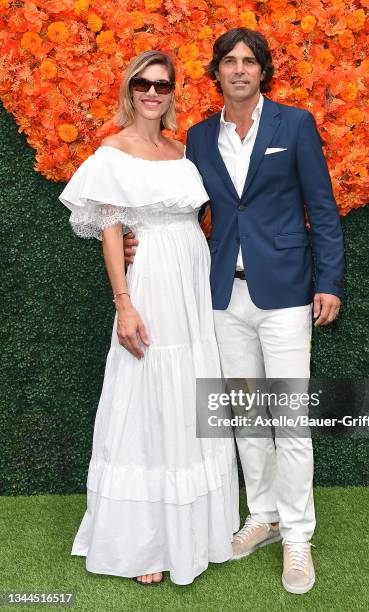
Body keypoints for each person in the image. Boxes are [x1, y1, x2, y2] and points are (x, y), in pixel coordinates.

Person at [124, 29, 344, 595]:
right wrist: (134, 239)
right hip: (221, 294)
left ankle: (298, 536)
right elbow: (177, 206)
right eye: (230, 62)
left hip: (287, 293)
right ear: (216, 73)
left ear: (262, 72)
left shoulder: (293, 125)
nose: (240, 70)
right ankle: (264, 517)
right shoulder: (198, 137)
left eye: (250, 61)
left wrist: (330, 282)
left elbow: (321, 205)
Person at [59, 50, 239, 587]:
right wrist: (124, 302)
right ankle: (147, 541)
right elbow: (113, 230)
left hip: (192, 281)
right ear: (130, 89)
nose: (152, 92)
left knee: (190, 390)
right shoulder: (113, 153)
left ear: (172, 92)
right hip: (151, 284)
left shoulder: (183, 153)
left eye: (162, 84)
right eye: (143, 83)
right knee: (146, 395)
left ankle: (199, 529)